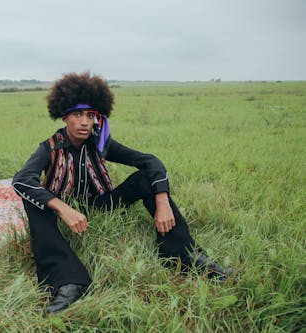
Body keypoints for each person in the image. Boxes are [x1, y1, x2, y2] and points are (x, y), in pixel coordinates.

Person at [12, 72, 233, 314]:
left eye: (90, 115)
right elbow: (22, 179)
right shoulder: (50, 147)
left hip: (101, 204)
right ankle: (69, 280)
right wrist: (64, 209)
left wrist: (162, 200)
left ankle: (181, 254)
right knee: (33, 199)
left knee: (147, 179)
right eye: (77, 115)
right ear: (65, 116)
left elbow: (150, 162)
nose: (85, 122)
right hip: (65, 207)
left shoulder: (100, 142)